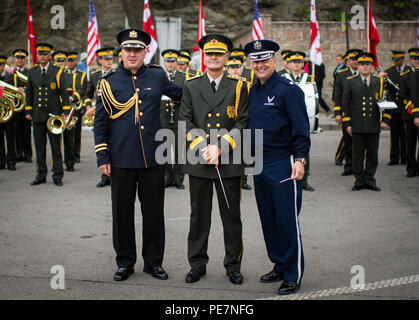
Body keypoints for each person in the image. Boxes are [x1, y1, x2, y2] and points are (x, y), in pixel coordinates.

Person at [94, 28, 183, 282]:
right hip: (120, 159)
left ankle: (154, 263)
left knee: (154, 214)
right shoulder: (108, 82)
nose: (132, 54)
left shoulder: (157, 76)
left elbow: (181, 95)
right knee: (122, 215)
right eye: (128, 50)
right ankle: (125, 262)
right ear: (121, 53)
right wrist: (103, 157)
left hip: (153, 159)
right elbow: (100, 123)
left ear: (145, 52)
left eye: (137, 50)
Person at [179, 34, 249, 285]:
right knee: (199, 217)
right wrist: (203, 147)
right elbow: (185, 120)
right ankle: (197, 265)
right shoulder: (191, 85)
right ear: (203, 57)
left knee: (231, 216)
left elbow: (243, 121)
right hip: (199, 159)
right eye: (209, 54)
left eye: (219, 54)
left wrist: (220, 147)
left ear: (227, 58)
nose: (214, 58)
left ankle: (233, 265)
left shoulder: (239, 85)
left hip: (228, 160)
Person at [244, 39, 310, 295]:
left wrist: (301, 159)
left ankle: (293, 274)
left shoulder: (288, 90)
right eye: (255, 60)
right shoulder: (254, 91)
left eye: (264, 59)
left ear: (274, 61)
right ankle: (280, 264)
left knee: (286, 221)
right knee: (269, 220)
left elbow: (301, 129)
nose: (259, 64)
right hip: (260, 162)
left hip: (283, 162)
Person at [25, 43, 70, 186]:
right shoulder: (31, 72)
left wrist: (66, 111)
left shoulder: (57, 71)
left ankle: (57, 176)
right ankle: (41, 175)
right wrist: (28, 110)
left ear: (50, 55)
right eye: (40, 54)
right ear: (37, 55)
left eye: (45, 54)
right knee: (39, 147)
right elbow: (29, 92)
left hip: (53, 116)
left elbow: (63, 92)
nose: (42, 56)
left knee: (56, 148)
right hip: (37, 115)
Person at [341, 52, 388, 191]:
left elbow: (388, 101)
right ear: (358, 66)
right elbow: (346, 104)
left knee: (373, 155)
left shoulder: (379, 82)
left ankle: (370, 180)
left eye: (367, 64)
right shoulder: (350, 82)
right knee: (358, 155)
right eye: (362, 64)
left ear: (371, 66)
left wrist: (385, 119)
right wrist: (347, 124)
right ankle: (359, 181)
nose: (365, 67)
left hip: (373, 124)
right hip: (357, 124)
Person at [282, 51, 315, 191]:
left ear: (303, 64)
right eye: (293, 62)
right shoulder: (281, 77)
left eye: (299, 62)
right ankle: (288, 176)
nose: (296, 64)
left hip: (302, 118)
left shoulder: (309, 78)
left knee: (303, 149)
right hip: (285, 120)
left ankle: (304, 180)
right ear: (288, 64)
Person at [85, 47, 115, 187]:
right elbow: (87, 94)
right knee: (102, 145)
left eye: (111, 59)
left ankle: (114, 175)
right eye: (106, 59)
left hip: (114, 114)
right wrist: (88, 107)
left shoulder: (116, 74)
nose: (109, 61)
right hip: (100, 117)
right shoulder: (95, 75)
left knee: (114, 145)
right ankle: (105, 176)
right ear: (100, 60)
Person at [333, 49, 363, 176]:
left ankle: (358, 167)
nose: (354, 62)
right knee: (347, 139)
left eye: (357, 60)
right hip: (347, 112)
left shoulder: (364, 74)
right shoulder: (341, 74)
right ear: (347, 61)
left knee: (360, 141)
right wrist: (338, 113)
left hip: (360, 112)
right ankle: (348, 165)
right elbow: (337, 95)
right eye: (352, 60)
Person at [160, 49, 185, 189]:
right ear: (164, 63)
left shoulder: (184, 77)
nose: (170, 64)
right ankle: (167, 178)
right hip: (163, 117)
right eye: (168, 62)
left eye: (173, 61)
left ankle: (179, 179)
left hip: (179, 117)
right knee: (164, 150)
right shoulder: (159, 77)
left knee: (179, 150)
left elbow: (188, 97)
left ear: (177, 62)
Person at [384, 50, 408, 166]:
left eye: (397, 60)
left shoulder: (409, 70)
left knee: (405, 135)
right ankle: (394, 157)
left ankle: (405, 157)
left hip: (405, 108)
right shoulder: (389, 72)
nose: (396, 62)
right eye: (394, 60)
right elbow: (387, 91)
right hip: (394, 108)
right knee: (394, 135)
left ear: (403, 59)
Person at [65, 51, 87, 165]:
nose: (69, 62)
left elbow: (85, 90)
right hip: (65, 107)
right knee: (67, 132)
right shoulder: (63, 74)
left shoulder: (82, 75)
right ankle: (68, 154)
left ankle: (76, 154)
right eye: (68, 60)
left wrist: (83, 106)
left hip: (77, 107)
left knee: (76, 133)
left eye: (72, 60)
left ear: (76, 61)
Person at [12, 49, 32, 163]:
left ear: (25, 60)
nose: (19, 60)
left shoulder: (29, 73)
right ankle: (18, 153)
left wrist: (23, 89)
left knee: (26, 131)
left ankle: (28, 154)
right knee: (16, 131)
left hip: (25, 106)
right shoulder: (11, 72)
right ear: (15, 59)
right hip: (14, 106)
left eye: (22, 58)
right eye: (17, 58)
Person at [401, 48, 419, 176]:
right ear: (410, 60)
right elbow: (402, 94)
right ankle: (411, 168)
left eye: (418, 59)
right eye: (414, 59)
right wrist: (410, 105)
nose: (416, 61)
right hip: (409, 113)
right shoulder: (405, 75)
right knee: (410, 142)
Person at [0, 55, 18, 170]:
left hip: (9, 113)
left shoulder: (11, 77)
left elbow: (17, 91)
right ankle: (1, 162)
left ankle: (11, 161)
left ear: (3, 65)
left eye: (0, 65)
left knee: (11, 138)